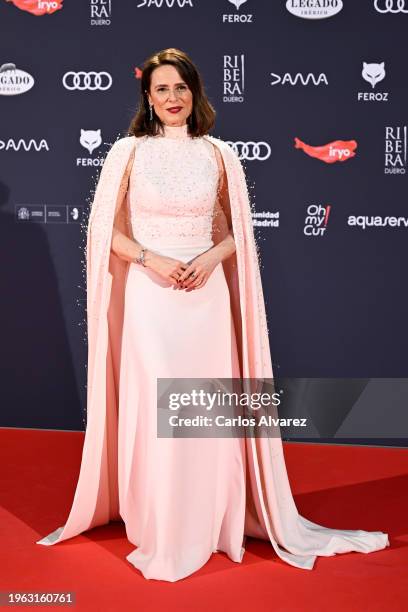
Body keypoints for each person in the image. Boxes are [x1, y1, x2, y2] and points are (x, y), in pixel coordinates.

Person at [36, 48, 389, 582]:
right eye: (161, 89)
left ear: (195, 93)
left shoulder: (220, 153)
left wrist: (205, 261)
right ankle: (160, 522)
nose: (172, 98)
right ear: (147, 98)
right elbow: (105, 233)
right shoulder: (126, 153)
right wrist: (155, 261)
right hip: (150, 295)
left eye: (181, 88)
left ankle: (209, 520)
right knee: (154, 406)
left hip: (205, 296)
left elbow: (235, 234)